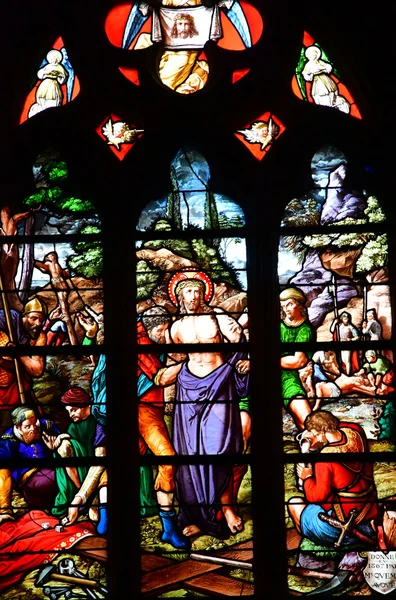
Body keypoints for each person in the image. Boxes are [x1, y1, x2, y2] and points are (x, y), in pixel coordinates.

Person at [160, 270, 250, 540]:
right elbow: (175, 360)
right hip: (188, 387)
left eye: (198, 291)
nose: (194, 295)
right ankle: (199, 517)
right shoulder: (175, 328)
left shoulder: (217, 316)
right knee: (190, 454)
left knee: (218, 448)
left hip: (220, 382)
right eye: (188, 291)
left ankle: (226, 509)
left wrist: (245, 363)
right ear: (179, 294)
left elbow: (239, 340)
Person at [138, 306, 190, 549]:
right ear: (152, 329)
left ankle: (168, 528)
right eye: (163, 330)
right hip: (141, 409)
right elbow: (160, 378)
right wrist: (192, 359)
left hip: (149, 408)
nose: (166, 334)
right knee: (167, 458)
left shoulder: (148, 339)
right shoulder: (141, 343)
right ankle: (168, 527)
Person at [288, 411, 379, 548]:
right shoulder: (355, 431)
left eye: (313, 433)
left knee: (294, 504)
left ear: (320, 433)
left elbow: (317, 496)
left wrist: (306, 477)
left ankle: (313, 539)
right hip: (368, 513)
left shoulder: (325, 459)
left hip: (341, 526)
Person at [51, 387, 107, 535]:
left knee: (94, 516)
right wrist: (63, 437)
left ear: (85, 406)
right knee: (63, 447)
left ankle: (89, 500)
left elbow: (101, 458)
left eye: (74, 410)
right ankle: (84, 497)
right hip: (84, 473)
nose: (71, 415)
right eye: (69, 411)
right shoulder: (74, 425)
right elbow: (71, 447)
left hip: (101, 470)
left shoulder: (99, 421)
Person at [0, 406, 60, 524]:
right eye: (27, 426)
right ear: (18, 428)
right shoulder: (8, 441)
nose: (33, 428)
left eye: (34, 423)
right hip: (29, 480)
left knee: (63, 478)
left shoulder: (45, 425)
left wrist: (57, 445)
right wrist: (4, 509)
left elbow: (61, 440)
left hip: (53, 470)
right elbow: (3, 473)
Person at [0, 297, 48, 428]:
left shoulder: (40, 337)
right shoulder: (9, 319)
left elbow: (37, 369)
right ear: (24, 317)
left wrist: (18, 353)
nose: (38, 323)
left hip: (20, 388)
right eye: (34, 318)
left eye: (41, 320)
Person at [280, 287, 315, 431]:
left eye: (289, 304)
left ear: (299, 305)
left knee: (307, 421)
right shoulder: (278, 326)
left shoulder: (305, 330)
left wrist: (264, 360)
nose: (285, 309)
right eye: (282, 306)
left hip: (291, 376)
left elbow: (298, 361)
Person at [0, 205, 41, 311]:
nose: (4, 216)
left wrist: (29, 213)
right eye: (3, 214)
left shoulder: (11, 224)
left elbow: (16, 218)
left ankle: (10, 300)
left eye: (5, 213)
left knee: (8, 276)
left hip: (10, 253)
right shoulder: (3, 229)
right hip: (6, 253)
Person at [34, 251, 78, 345]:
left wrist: (66, 272)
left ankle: (61, 310)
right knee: (62, 300)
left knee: (64, 298)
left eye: (54, 255)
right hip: (57, 282)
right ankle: (62, 311)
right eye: (51, 255)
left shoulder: (57, 264)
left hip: (62, 283)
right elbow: (43, 268)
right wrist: (34, 262)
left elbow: (64, 274)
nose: (54, 256)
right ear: (48, 257)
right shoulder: (48, 264)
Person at [301, 46, 350, 113]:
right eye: (313, 54)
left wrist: (323, 68)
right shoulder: (308, 65)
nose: (315, 56)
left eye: (316, 54)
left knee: (332, 92)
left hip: (326, 80)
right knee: (321, 96)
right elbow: (305, 74)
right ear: (309, 56)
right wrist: (313, 73)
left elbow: (329, 67)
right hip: (317, 82)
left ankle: (334, 106)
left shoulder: (320, 62)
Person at [28, 49, 68, 118]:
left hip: (54, 84)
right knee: (42, 98)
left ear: (58, 59)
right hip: (45, 84)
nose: (54, 60)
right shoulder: (48, 66)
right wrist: (45, 73)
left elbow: (64, 77)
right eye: (52, 59)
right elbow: (40, 74)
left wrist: (60, 76)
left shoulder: (60, 67)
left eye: (55, 59)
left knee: (53, 99)